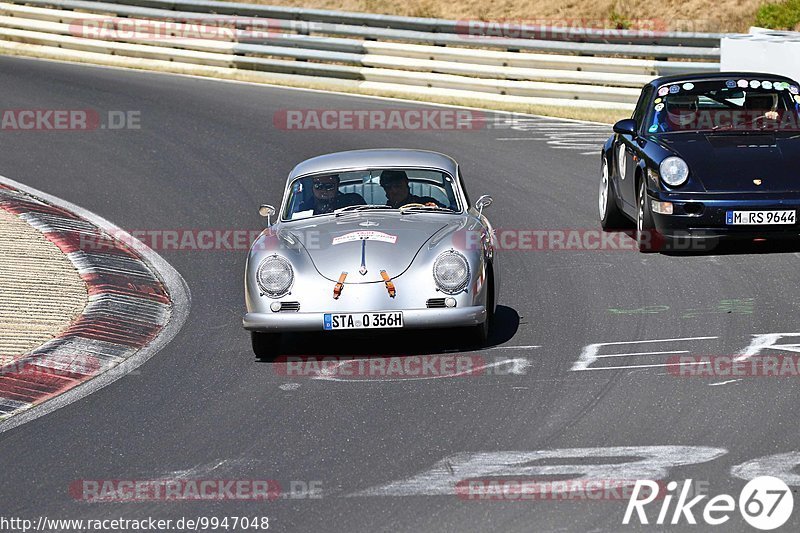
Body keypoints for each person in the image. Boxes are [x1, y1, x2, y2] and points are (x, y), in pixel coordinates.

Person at [299, 174, 365, 215]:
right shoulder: (305, 208)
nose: (324, 191)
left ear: (337, 184)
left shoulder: (353, 201)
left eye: (329, 186)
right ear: (312, 186)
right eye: (318, 186)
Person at [379, 170, 444, 208]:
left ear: (406, 184)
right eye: (389, 187)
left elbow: (447, 212)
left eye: (398, 186)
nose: (394, 191)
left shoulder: (426, 202)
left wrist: (434, 208)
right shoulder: (379, 211)